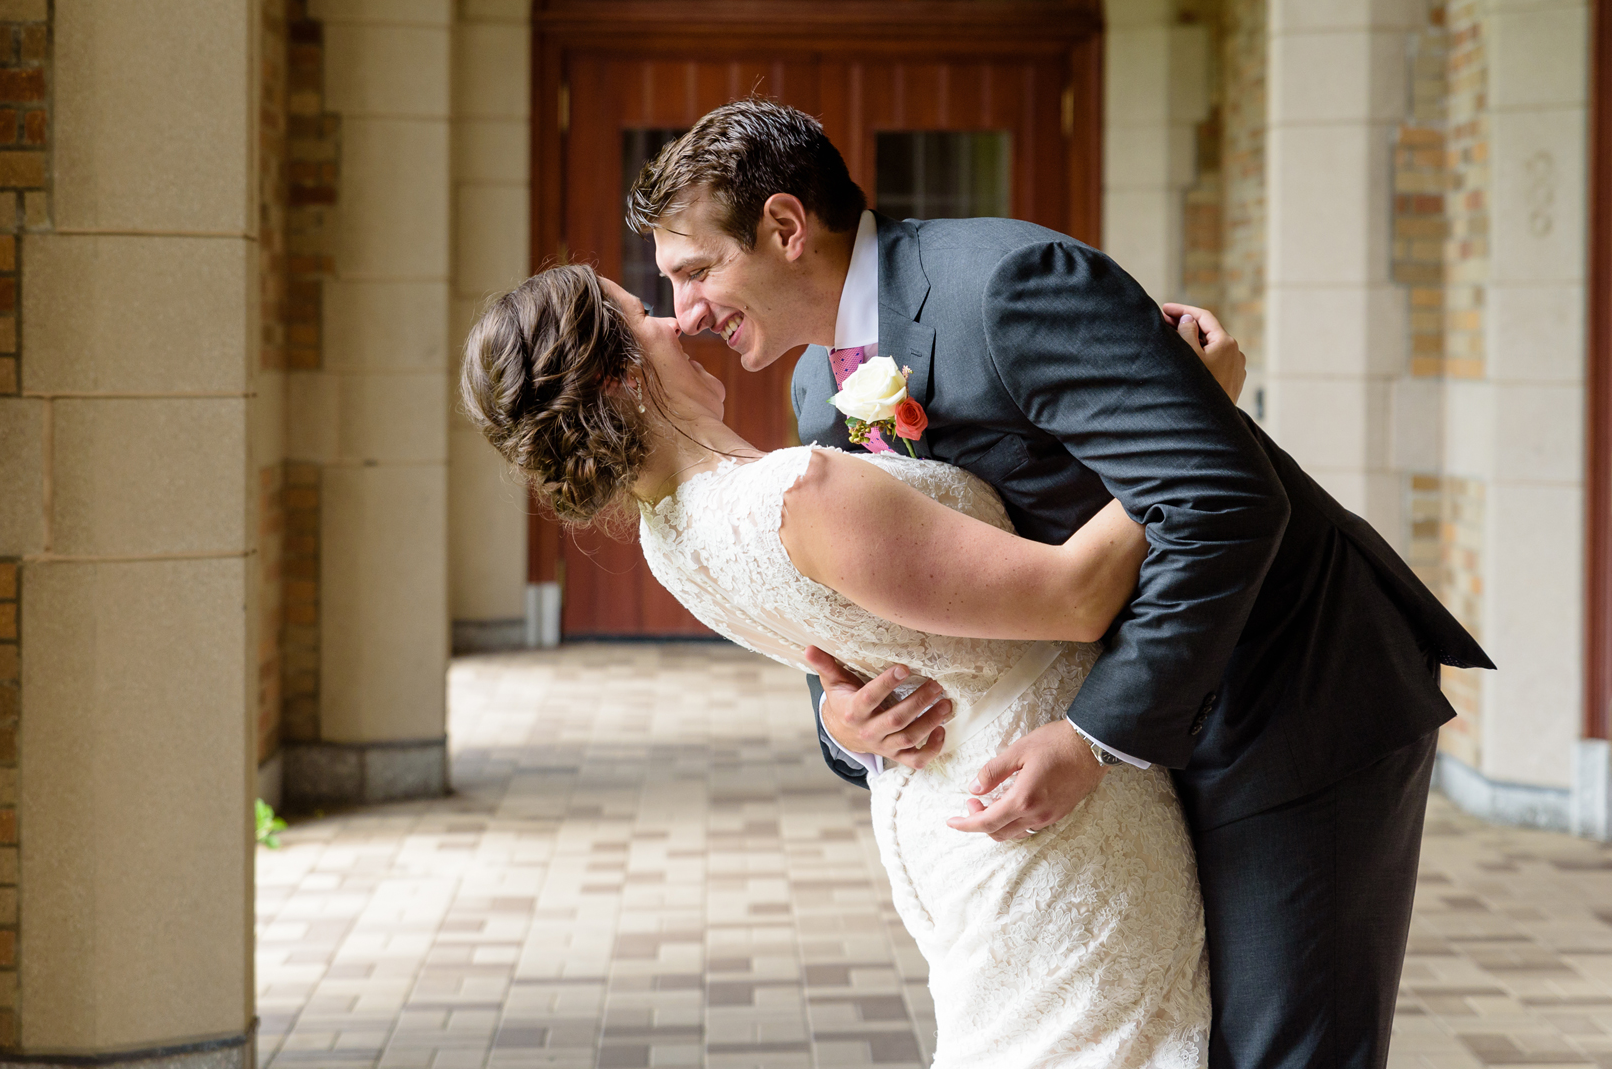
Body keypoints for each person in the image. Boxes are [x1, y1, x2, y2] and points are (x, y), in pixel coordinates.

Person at [624, 98, 1495, 1069]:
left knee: (1278, 1053)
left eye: (696, 271)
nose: (685, 314)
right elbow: (868, 587)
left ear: (785, 228)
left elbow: (1219, 503)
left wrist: (1092, 738)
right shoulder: (811, 388)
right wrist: (843, 721)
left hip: (1287, 692)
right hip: (1150, 724)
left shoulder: (1007, 283)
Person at [464, 261, 1253, 1066]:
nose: (678, 322)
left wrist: (845, 723)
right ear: (619, 373)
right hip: (1047, 818)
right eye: (645, 315)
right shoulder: (802, 493)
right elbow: (1079, 594)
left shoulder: (668, 538)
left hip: (951, 816)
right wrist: (1195, 415)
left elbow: (860, 636)